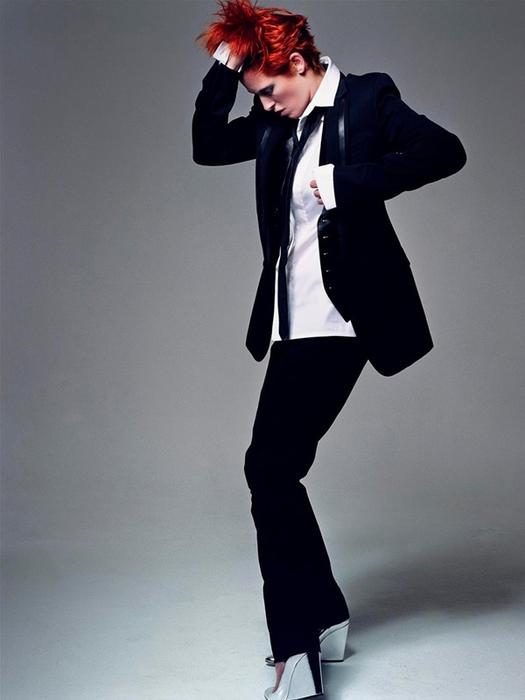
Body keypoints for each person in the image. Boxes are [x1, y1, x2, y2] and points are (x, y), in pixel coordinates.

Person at [192, 1, 467, 698]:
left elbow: (444, 151)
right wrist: (226, 62)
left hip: (344, 320)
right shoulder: (273, 122)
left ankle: (297, 652)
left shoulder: (367, 99)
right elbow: (205, 144)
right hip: (291, 324)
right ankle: (325, 615)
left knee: (268, 470)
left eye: (268, 90)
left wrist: (346, 182)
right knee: (275, 472)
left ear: (295, 63)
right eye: (256, 95)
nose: (264, 105)